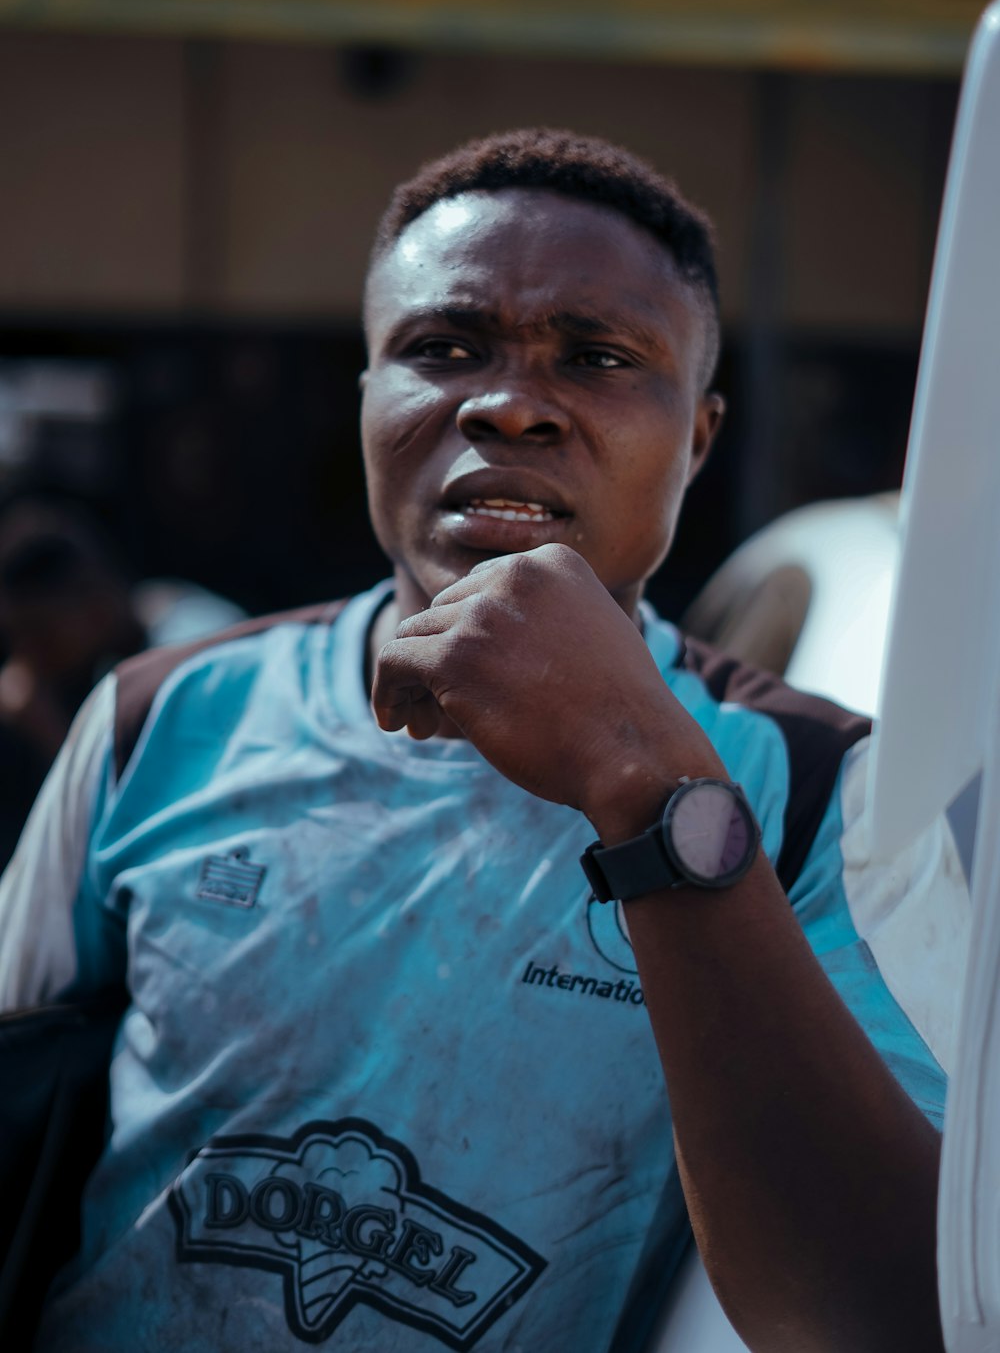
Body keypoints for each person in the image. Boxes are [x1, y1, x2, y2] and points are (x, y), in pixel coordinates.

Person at [0, 129, 968, 1353]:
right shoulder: (160, 718)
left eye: (599, 356)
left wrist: (649, 787)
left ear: (699, 439)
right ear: (365, 398)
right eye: (442, 348)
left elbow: (889, 1319)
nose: (509, 401)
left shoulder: (826, 796)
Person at [0, 497, 246, 867]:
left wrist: (48, 730)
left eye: (40, 632)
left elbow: (153, 819)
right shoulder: (123, 647)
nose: (27, 655)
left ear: (93, 603)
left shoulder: (188, 660)